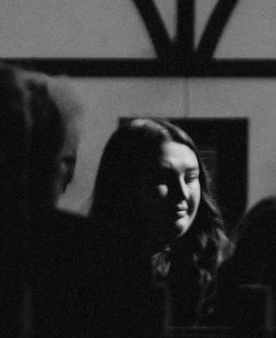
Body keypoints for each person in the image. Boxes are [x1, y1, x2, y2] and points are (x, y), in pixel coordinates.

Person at [85, 116, 228, 324]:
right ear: (124, 186)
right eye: (163, 178)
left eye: (190, 178)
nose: (182, 193)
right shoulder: (90, 270)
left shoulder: (217, 270)